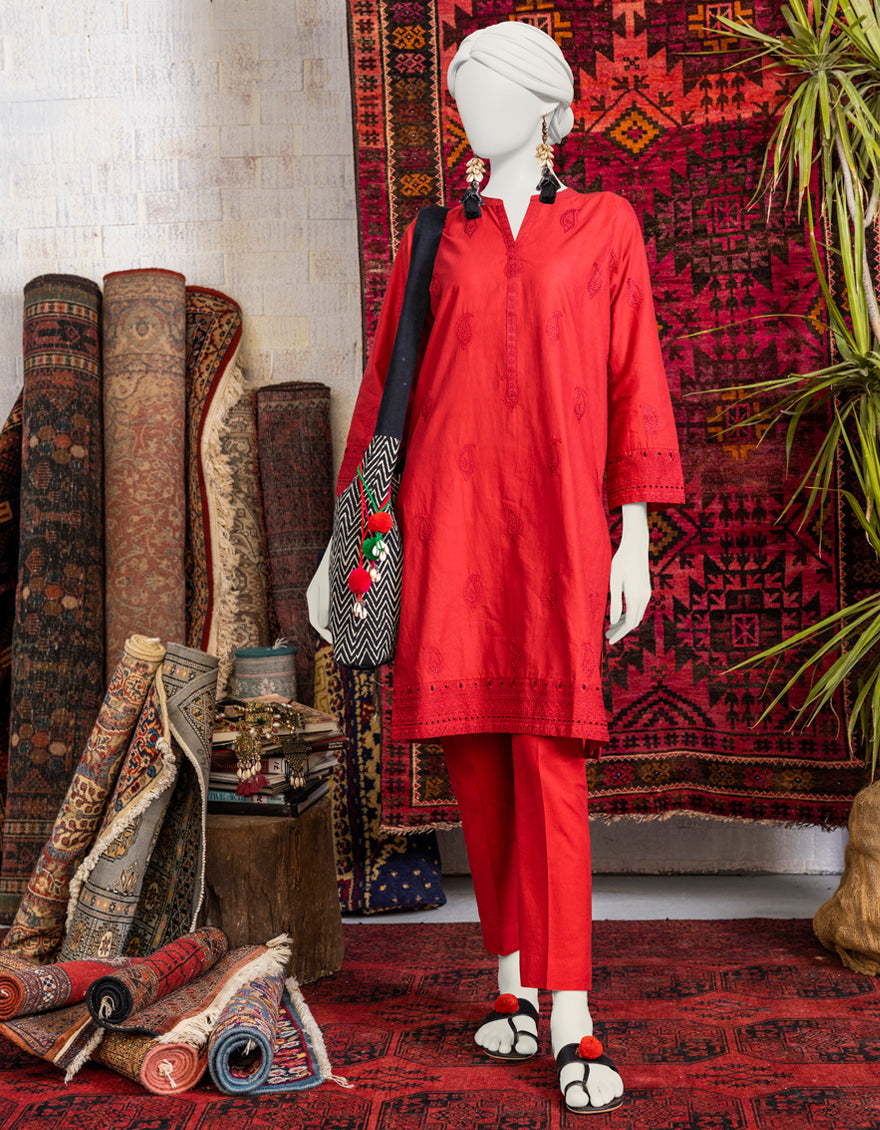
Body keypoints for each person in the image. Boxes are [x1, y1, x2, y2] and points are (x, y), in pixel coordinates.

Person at [309, 19, 685, 1114]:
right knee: (475, 754)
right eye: (460, 92)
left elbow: (635, 377)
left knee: (550, 754)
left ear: (545, 106)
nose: (468, 112)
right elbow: (388, 393)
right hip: (451, 522)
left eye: (488, 91)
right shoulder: (435, 236)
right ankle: (513, 980)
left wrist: (633, 536)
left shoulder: (606, 226)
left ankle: (572, 1011)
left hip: (560, 531)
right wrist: (348, 544)